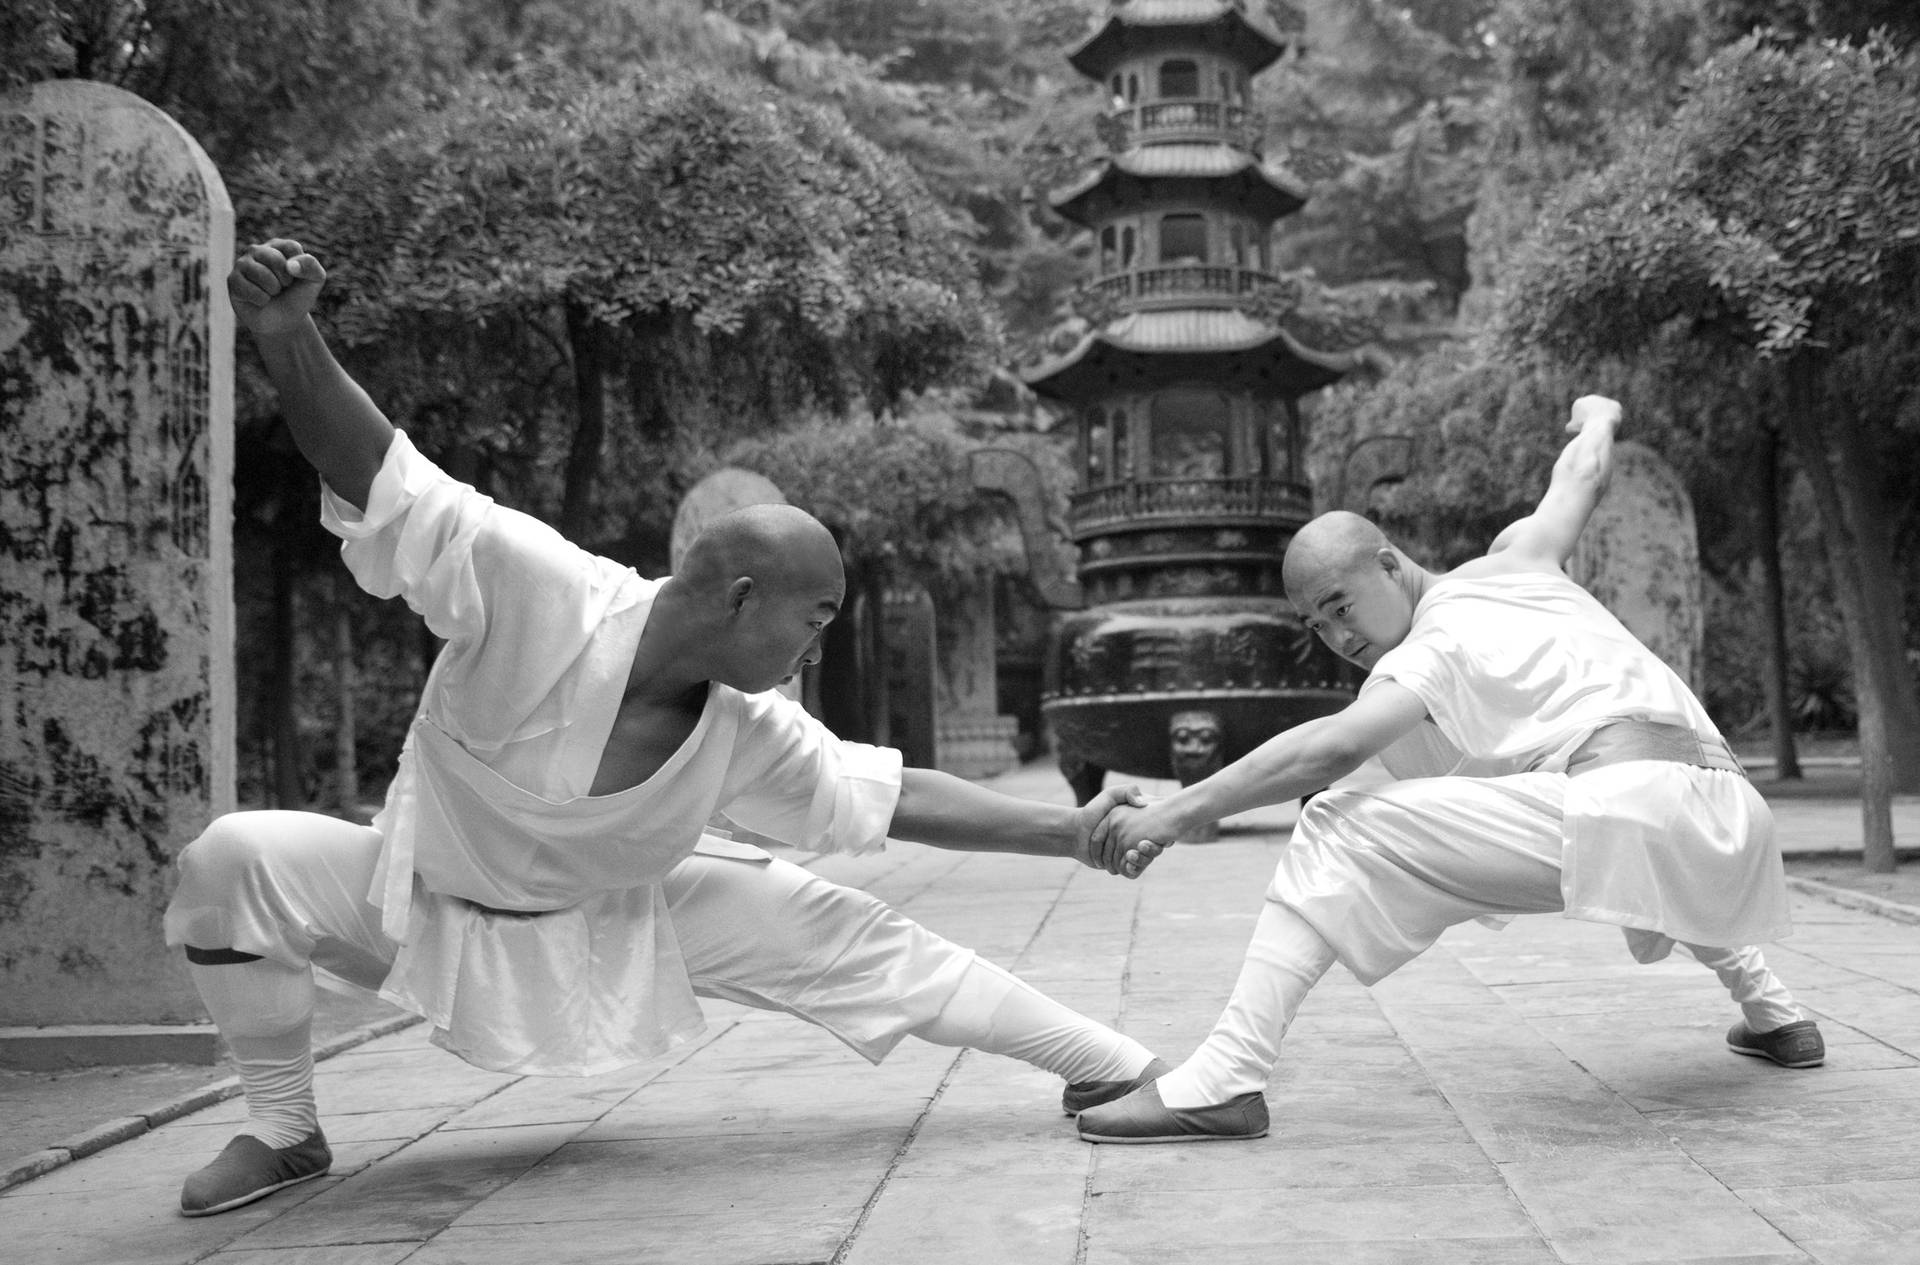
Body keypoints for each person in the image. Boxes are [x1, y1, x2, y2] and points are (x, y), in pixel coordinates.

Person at [166, 238, 1170, 1217]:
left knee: (851, 934)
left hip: (622, 916)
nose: (815, 649)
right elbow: (387, 474)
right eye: (814, 620)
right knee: (230, 858)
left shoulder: (747, 722)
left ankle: (1113, 1063)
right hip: (417, 898)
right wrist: (289, 339)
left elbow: (888, 791)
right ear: (740, 595)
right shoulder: (541, 586)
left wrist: (1071, 831)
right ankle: (286, 1126)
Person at [1077, 394, 1822, 1145]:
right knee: (1627, 824)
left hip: (1632, 801)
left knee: (1333, 822)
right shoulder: (1519, 559)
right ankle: (1777, 1014)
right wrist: (1600, 415)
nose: (1340, 636)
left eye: (1342, 606)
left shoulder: (1426, 650)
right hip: (1730, 812)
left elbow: (1332, 750)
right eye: (1318, 625)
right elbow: (1583, 476)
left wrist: (1175, 811)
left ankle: (1224, 1079)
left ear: (1390, 564)